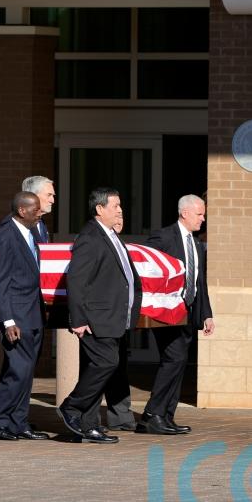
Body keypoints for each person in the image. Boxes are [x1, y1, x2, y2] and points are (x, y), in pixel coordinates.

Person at [57, 188, 142, 444]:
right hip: (96, 319)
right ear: (99, 209)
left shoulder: (110, 236)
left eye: (120, 206)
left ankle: (87, 424)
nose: (119, 210)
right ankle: (71, 407)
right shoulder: (90, 238)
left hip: (113, 318)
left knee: (99, 367)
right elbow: (77, 280)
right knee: (107, 363)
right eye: (114, 206)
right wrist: (79, 319)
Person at [141, 194, 215, 435]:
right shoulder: (163, 237)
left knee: (179, 362)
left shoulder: (196, 243)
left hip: (188, 312)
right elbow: (147, 269)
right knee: (173, 359)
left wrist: (206, 314)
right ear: (185, 213)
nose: (203, 219)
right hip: (166, 312)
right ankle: (152, 414)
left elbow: (199, 281)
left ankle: (166, 416)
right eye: (199, 214)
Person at [0, 192, 49, 441]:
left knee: (26, 371)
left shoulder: (29, 232)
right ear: (22, 210)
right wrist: (7, 320)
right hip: (17, 317)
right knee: (17, 371)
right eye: (36, 209)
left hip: (32, 313)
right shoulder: (6, 235)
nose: (40, 213)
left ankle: (17, 422)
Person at [101, 216, 137, 431]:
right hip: (103, 316)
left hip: (120, 316)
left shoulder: (120, 244)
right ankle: (88, 417)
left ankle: (120, 416)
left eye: (123, 215)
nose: (119, 218)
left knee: (118, 367)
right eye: (116, 212)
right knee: (99, 368)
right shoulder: (98, 242)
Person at [21, 176, 55, 243]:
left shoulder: (41, 223)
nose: (52, 200)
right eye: (49, 195)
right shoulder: (17, 225)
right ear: (33, 196)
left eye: (53, 195)